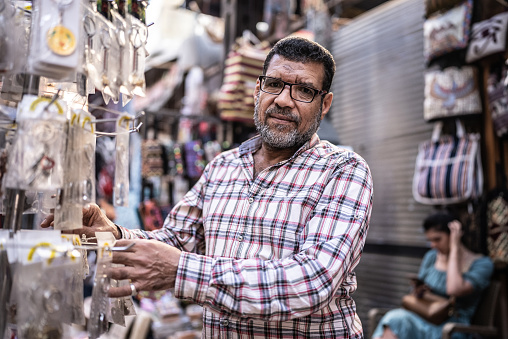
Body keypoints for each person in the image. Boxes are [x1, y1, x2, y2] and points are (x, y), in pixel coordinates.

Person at [42, 36, 374, 338]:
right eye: (274, 84)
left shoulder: (343, 169)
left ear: (324, 104)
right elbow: (174, 240)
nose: (284, 100)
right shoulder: (223, 166)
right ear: (258, 90)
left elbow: (312, 281)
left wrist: (180, 270)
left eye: (304, 90)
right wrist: (114, 234)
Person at [372, 212, 494, 339]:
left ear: (455, 235)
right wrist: (420, 290)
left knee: (396, 320)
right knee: (395, 319)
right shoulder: (432, 257)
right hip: (425, 317)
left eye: (437, 239)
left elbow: (454, 289)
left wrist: (455, 249)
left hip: (452, 327)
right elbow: (414, 293)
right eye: (430, 240)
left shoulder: (481, 264)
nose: (433, 245)